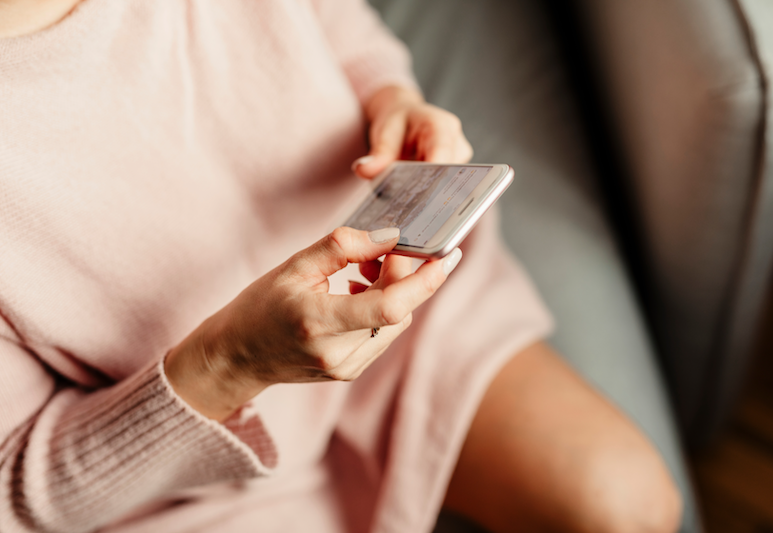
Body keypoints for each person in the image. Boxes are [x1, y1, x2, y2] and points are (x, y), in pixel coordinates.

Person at [0, 0, 682, 532]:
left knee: (629, 504)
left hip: (407, 300)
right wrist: (229, 365)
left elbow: (332, 17)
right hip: (183, 471)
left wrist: (391, 98)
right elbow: (18, 491)